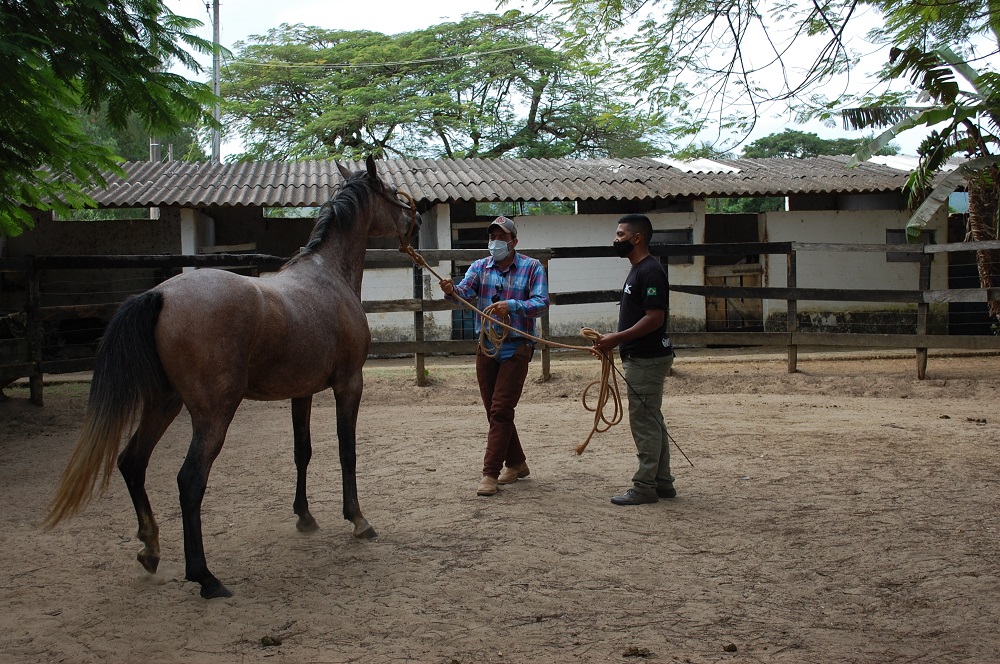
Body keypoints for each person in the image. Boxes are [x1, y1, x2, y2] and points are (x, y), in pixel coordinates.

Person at [439, 216, 549, 497]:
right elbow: (465, 293)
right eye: (493, 237)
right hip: (487, 346)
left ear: (514, 242)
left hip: (516, 346)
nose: (496, 242)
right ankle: (516, 463)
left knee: (500, 410)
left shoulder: (532, 267)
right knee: (495, 411)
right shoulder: (479, 267)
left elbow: (541, 303)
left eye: (502, 237)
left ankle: (490, 474)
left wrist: (511, 306)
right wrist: (451, 290)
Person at [593, 214, 676, 506]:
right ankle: (662, 482)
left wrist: (617, 338)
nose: (616, 240)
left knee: (644, 421)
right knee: (652, 418)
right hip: (642, 356)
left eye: (620, 234)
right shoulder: (640, 270)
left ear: (637, 237)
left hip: (646, 358)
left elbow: (654, 318)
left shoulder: (650, 271)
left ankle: (644, 486)